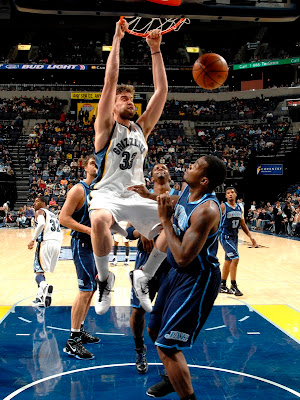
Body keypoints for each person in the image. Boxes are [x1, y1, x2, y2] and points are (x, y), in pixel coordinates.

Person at [130, 155, 227, 399]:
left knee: (167, 345)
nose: (189, 165)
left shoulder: (207, 210)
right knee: (154, 330)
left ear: (204, 180)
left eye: (195, 166)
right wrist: (149, 196)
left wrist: (165, 221)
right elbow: (176, 202)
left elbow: (184, 257)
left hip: (197, 279)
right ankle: (173, 379)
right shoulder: (187, 191)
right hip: (177, 275)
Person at [89, 19, 168, 315]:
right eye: (123, 98)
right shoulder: (106, 127)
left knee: (172, 231)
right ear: (111, 106)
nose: (129, 101)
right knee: (98, 221)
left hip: (136, 195)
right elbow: (110, 82)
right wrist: (117, 39)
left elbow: (160, 92)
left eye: (132, 98)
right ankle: (105, 279)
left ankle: (144, 276)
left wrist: (155, 50)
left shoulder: (141, 129)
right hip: (108, 194)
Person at [127, 164, 180, 374]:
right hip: (145, 260)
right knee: (137, 311)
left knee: (167, 312)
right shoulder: (140, 198)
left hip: (171, 261)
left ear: (169, 175)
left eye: (164, 167)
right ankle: (140, 348)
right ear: (151, 175)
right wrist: (143, 232)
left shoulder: (179, 196)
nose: (160, 168)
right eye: (156, 167)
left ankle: (167, 354)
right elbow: (128, 231)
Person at [59, 155, 100, 360]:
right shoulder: (78, 189)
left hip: (94, 246)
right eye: (92, 163)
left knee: (91, 289)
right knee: (85, 290)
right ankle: (72, 340)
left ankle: (80, 328)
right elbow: (63, 218)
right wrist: (88, 230)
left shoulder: (100, 191)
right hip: (81, 243)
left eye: (98, 163)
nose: (96, 166)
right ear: (85, 167)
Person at [219, 187, 258, 296]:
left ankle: (222, 285)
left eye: (232, 192)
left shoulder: (239, 208)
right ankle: (233, 285)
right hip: (225, 236)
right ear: (226, 196)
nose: (230, 194)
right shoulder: (223, 207)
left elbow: (243, 224)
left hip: (234, 237)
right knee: (235, 258)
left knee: (228, 260)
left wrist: (251, 237)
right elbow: (215, 220)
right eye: (228, 193)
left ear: (236, 195)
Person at [28, 196, 63, 307]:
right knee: (41, 272)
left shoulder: (40, 212)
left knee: (37, 272)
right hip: (57, 244)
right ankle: (40, 297)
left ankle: (45, 286)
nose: (34, 203)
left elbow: (42, 224)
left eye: (37, 201)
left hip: (46, 243)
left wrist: (33, 239)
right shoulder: (52, 214)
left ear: (44, 203)